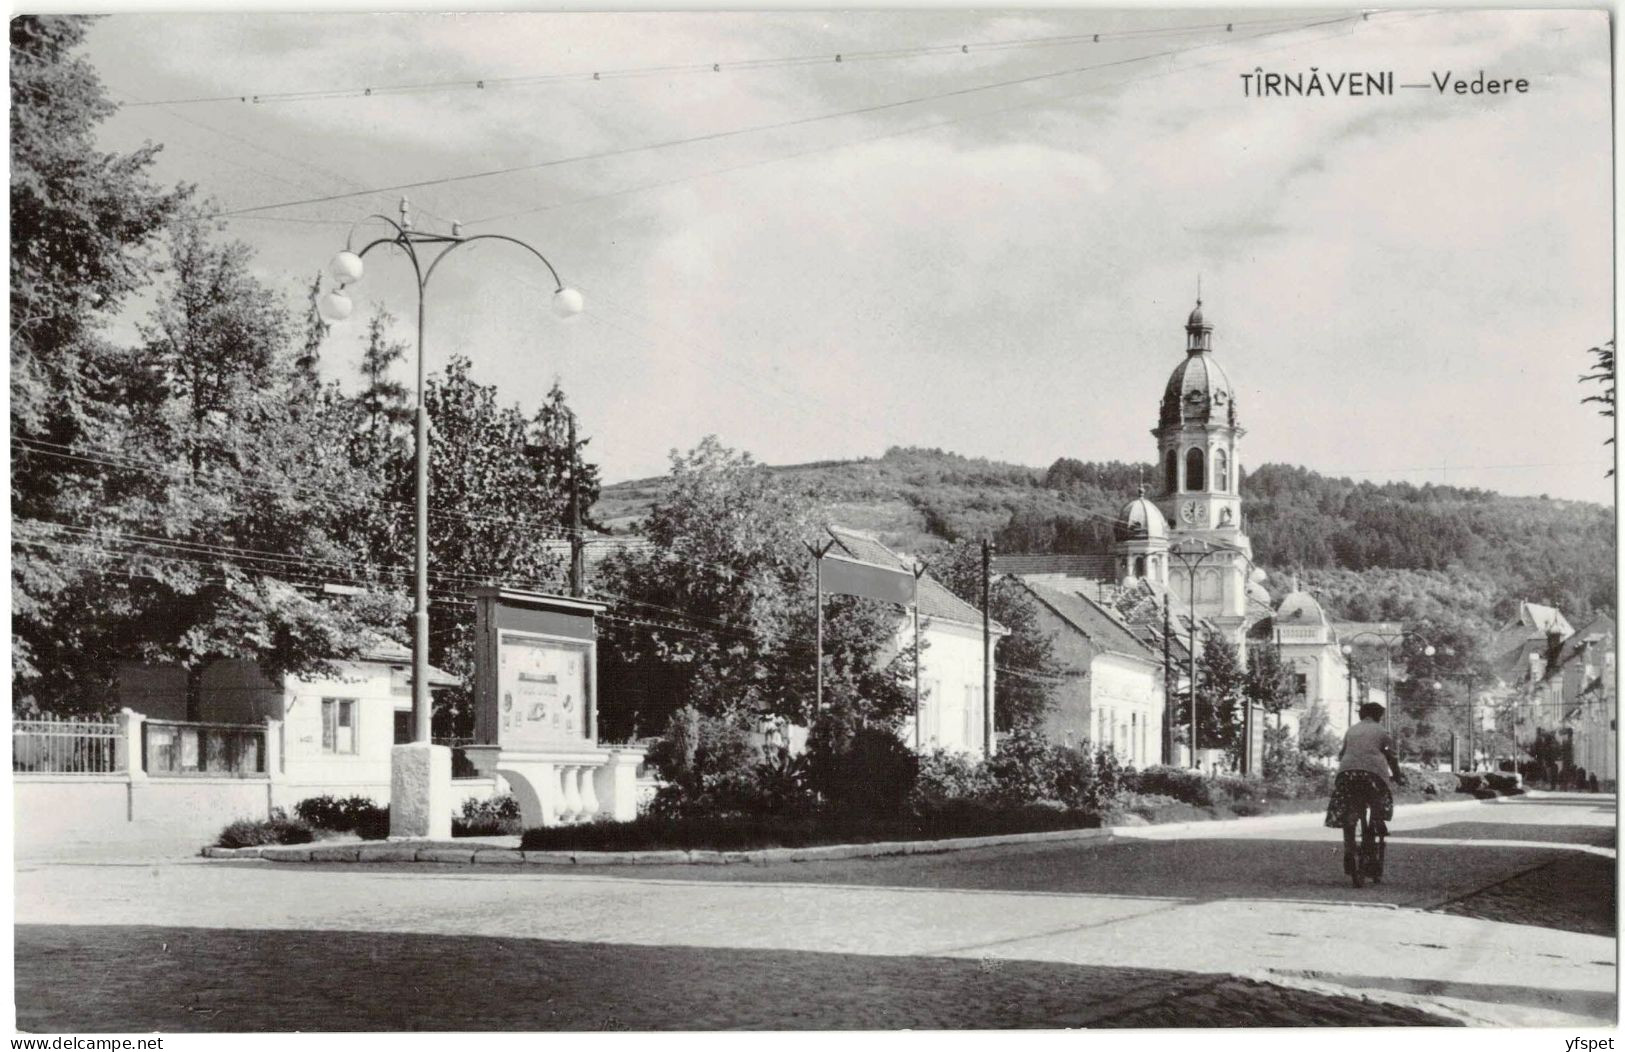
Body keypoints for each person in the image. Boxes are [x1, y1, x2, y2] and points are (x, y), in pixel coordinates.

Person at [1324, 702, 1405, 854]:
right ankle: (1378, 821)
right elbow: (1392, 757)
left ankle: (1349, 849)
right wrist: (1398, 776)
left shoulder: (1351, 730)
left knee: (1348, 808)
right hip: (1373, 774)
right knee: (1378, 799)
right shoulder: (1382, 732)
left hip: (1347, 773)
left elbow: (1342, 754)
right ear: (1378, 716)